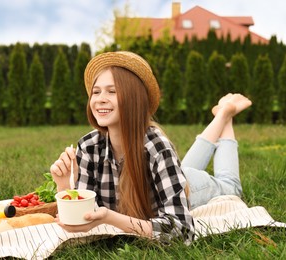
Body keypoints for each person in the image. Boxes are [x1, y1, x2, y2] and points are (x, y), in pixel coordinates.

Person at [50, 51, 194, 243]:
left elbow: (183, 231)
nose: (100, 98)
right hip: (176, 172)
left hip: (198, 186)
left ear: (134, 98)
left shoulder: (158, 149)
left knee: (227, 182)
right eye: (96, 91)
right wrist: (63, 185)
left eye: (112, 91)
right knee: (192, 162)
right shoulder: (88, 146)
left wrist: (110, 217)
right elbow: (83, 219)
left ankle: (224, 115)